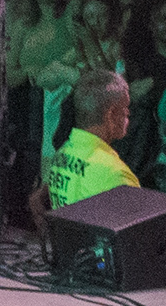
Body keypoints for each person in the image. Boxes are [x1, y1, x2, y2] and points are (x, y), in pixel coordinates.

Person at [44, 68, 142, 211]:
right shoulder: (115, 175)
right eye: (125, 107)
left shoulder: (62, 153)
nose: (129, 113)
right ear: (111, 114)